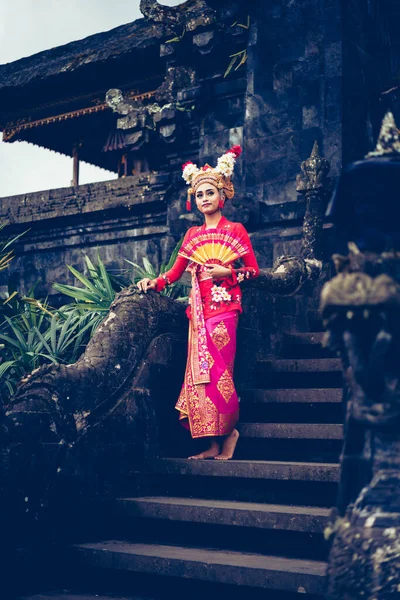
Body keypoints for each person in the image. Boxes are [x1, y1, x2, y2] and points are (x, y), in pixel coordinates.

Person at [137, 146, 259, 460]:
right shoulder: (192, 235)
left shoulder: (236, 231)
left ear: (223, 195)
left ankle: (230, 432)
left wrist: (227, 271)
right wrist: (155, 283)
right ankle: (212, 444)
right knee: (201, 375)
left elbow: (253, 270)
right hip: (200, 314)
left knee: (220, 373)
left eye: (210, 193)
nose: (205, 198)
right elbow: (174, 273)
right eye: (200, 194)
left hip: (226, 310)